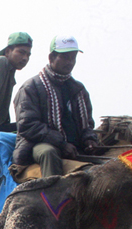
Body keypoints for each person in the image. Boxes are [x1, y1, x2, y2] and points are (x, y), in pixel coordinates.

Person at [12, 35, 98, 178]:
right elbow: (27, 125)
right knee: (48, 153)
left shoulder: (78, 89)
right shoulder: (31, 87)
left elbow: (87, 124)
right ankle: (52, 195)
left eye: (73, 57)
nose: (70, 62)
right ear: (51, 58)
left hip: (74, 147)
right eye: (64, 57)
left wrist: (89, 139)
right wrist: (61, 144)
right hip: (37, 145)